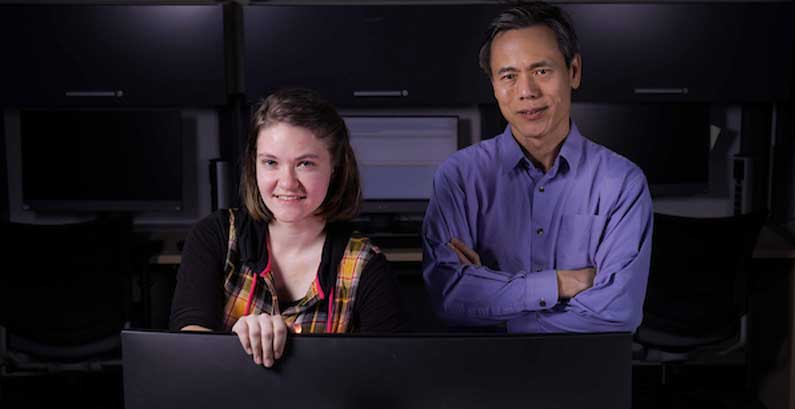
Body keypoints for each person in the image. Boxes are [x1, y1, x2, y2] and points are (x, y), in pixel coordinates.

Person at [423, 0, 653, 334]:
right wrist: (561, 283)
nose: (527, 92)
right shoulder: (458, 178)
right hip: (482, 375)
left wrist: (495, 303)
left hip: (584, 375)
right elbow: (449, 298)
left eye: (541, 71)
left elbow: (617, 312)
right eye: (509, 76)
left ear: (573, 71)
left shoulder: (621, 183)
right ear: (494, 85)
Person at [170, 88, 407, 366]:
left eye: (305, 163)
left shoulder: (367, 267)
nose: (287, 183)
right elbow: (188, 351)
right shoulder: (216, 236)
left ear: (336, 168)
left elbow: (389, 376)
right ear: (254, 165)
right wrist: (233, 343)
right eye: (271, 162)